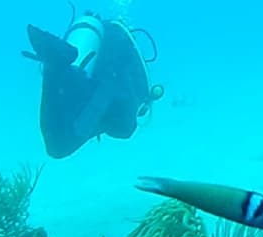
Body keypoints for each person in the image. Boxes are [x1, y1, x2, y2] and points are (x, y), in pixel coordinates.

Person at [22, 9, 164, 159]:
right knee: (58, 146)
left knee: (56, 140)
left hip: (78, 79)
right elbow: (126, 126)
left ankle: (53, 66)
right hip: (97, 90)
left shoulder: (108, 40)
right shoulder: (129, 53)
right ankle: (54, 65)